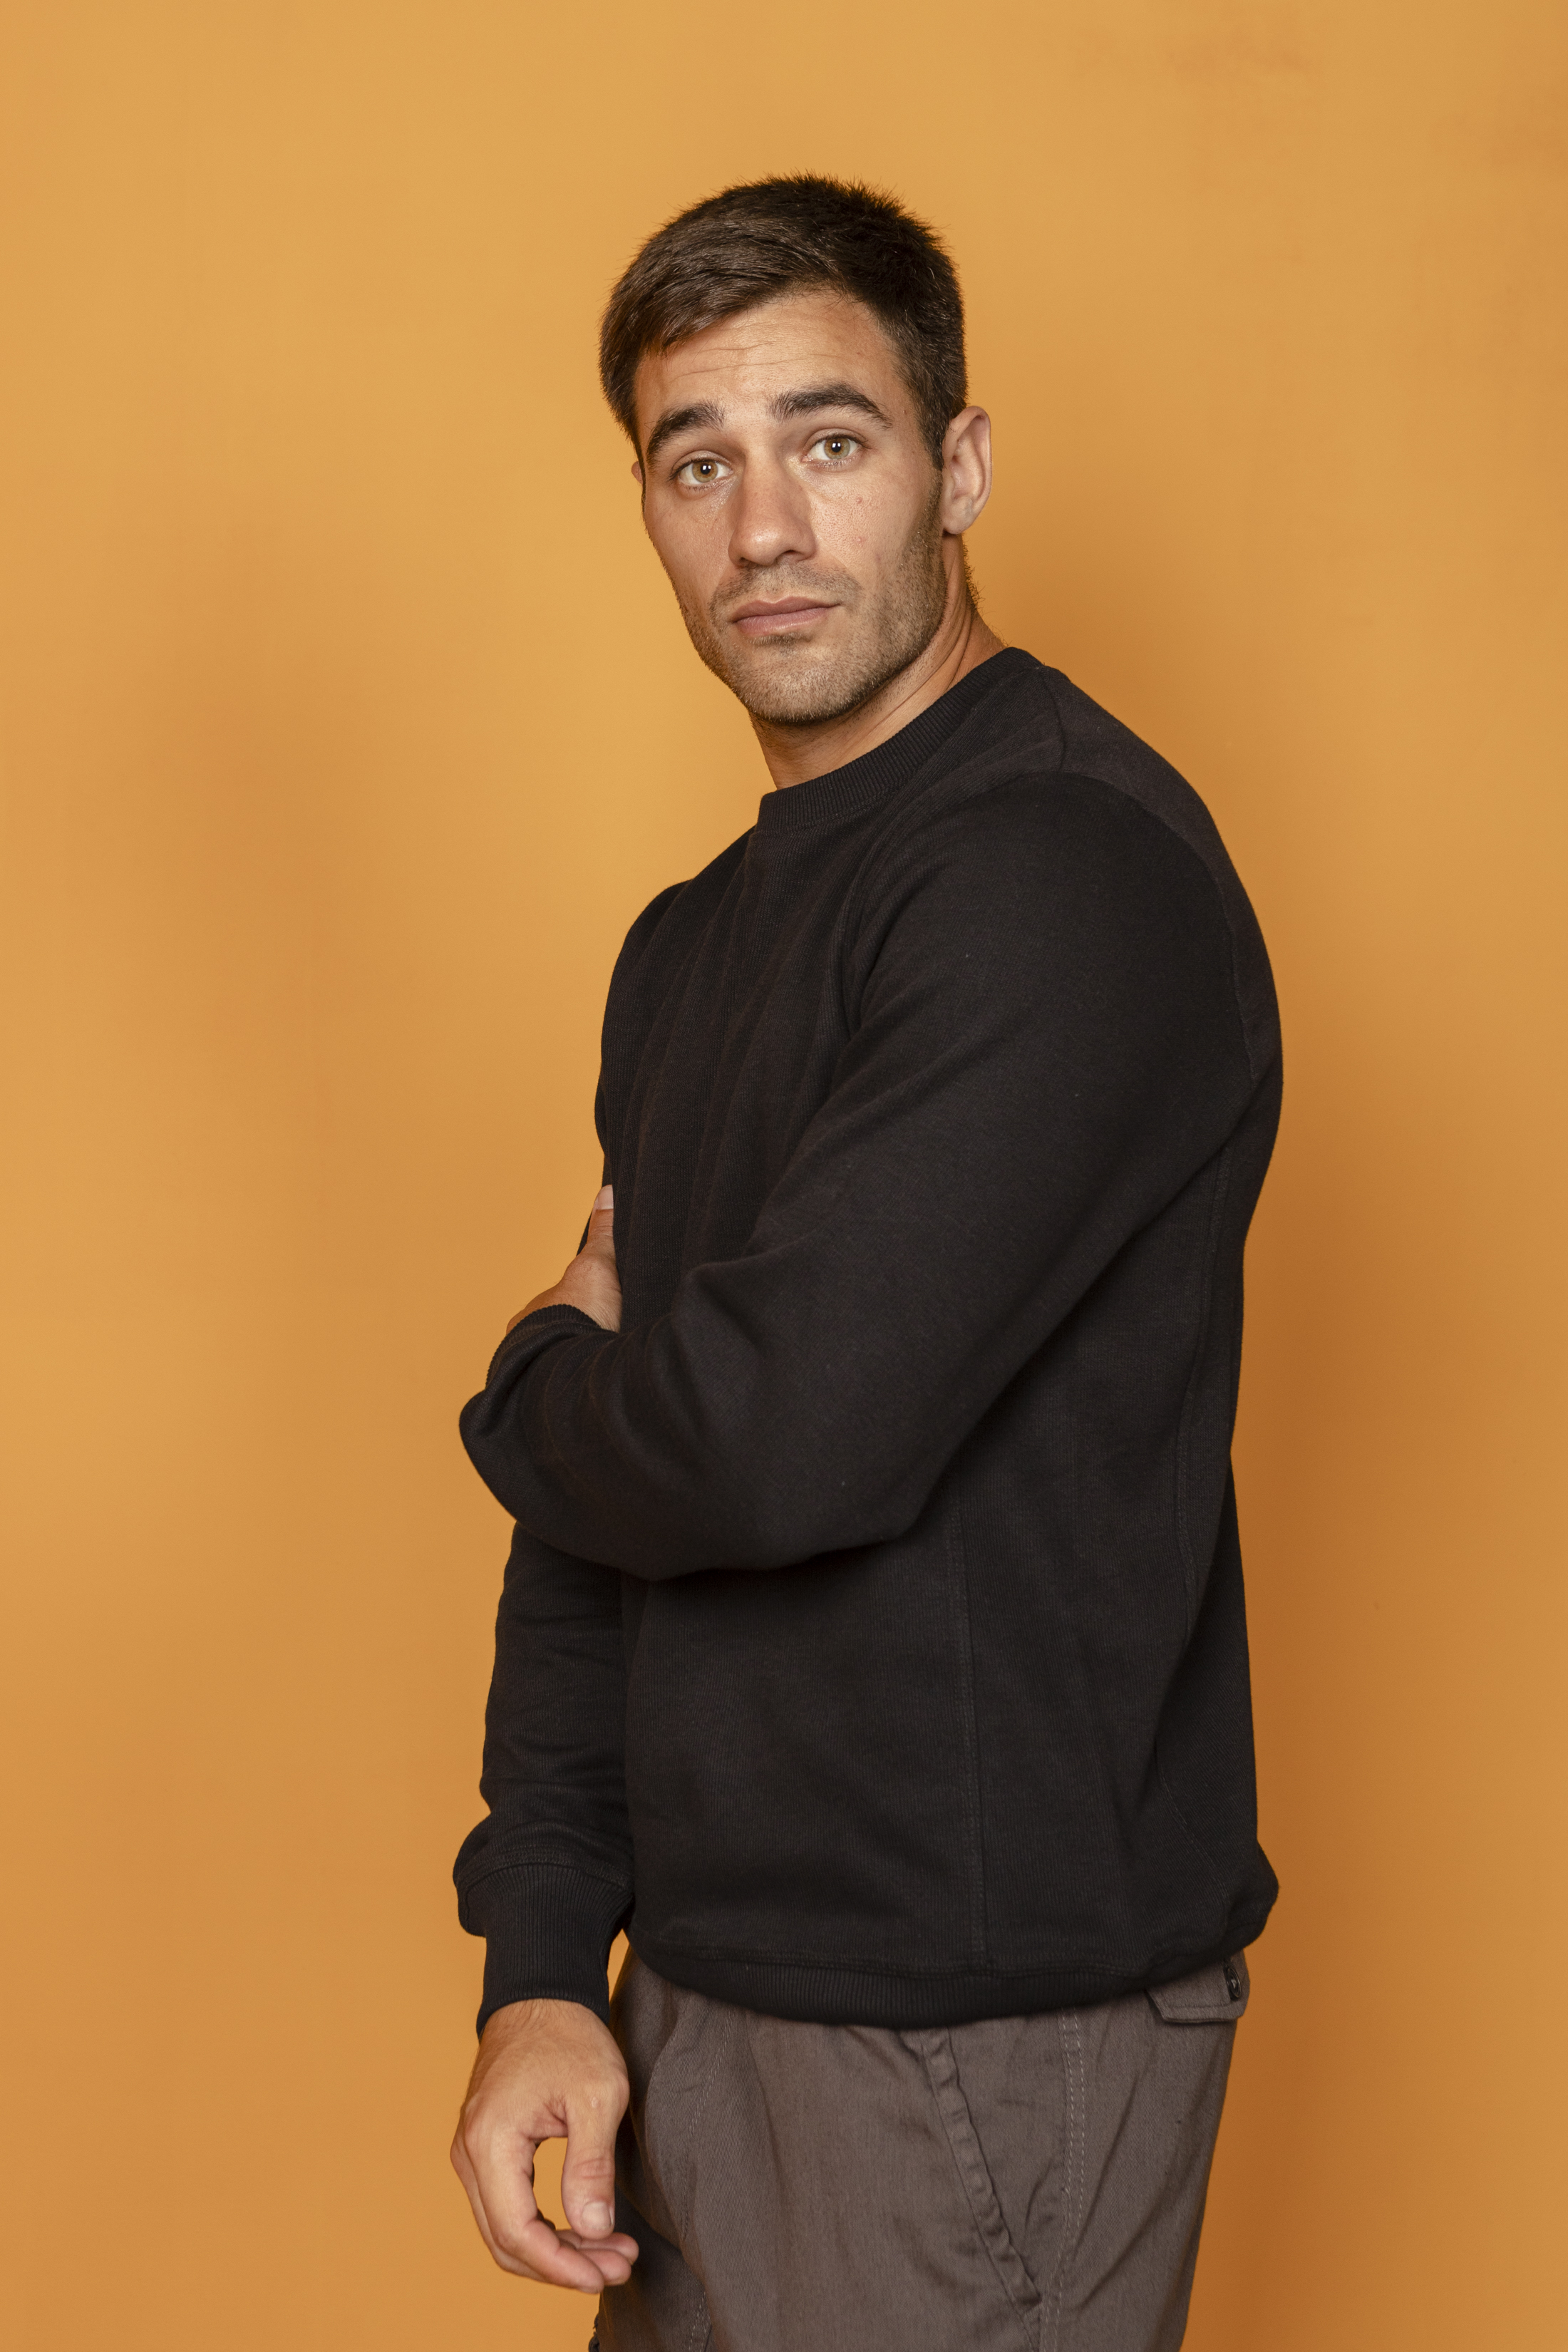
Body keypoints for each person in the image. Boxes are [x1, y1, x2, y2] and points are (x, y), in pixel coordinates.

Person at [448, 175, 1279, 2352]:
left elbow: (763, 1437)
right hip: (702, 1999)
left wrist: (537, 1379)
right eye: (695, 462)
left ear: (958, 466)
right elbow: (606, 1528)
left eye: (830, 441)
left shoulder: (1061, 874)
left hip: (967, 2043)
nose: (764, 529)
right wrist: (542, 1965)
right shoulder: (691, 947)